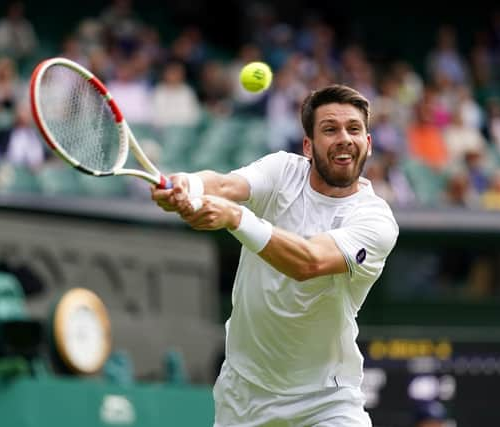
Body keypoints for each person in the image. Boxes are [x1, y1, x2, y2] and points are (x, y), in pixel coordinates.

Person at [151, 84, 398, 426]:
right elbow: (223, 186)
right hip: (244, 398)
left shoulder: (375, 219)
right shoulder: (282, 171)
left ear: (368, 144)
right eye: (330, 129)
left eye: (354, 129)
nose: (344, 138)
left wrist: (236, 217)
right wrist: (187, 185)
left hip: (326, 402)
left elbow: (308, 262)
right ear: (308, 146)